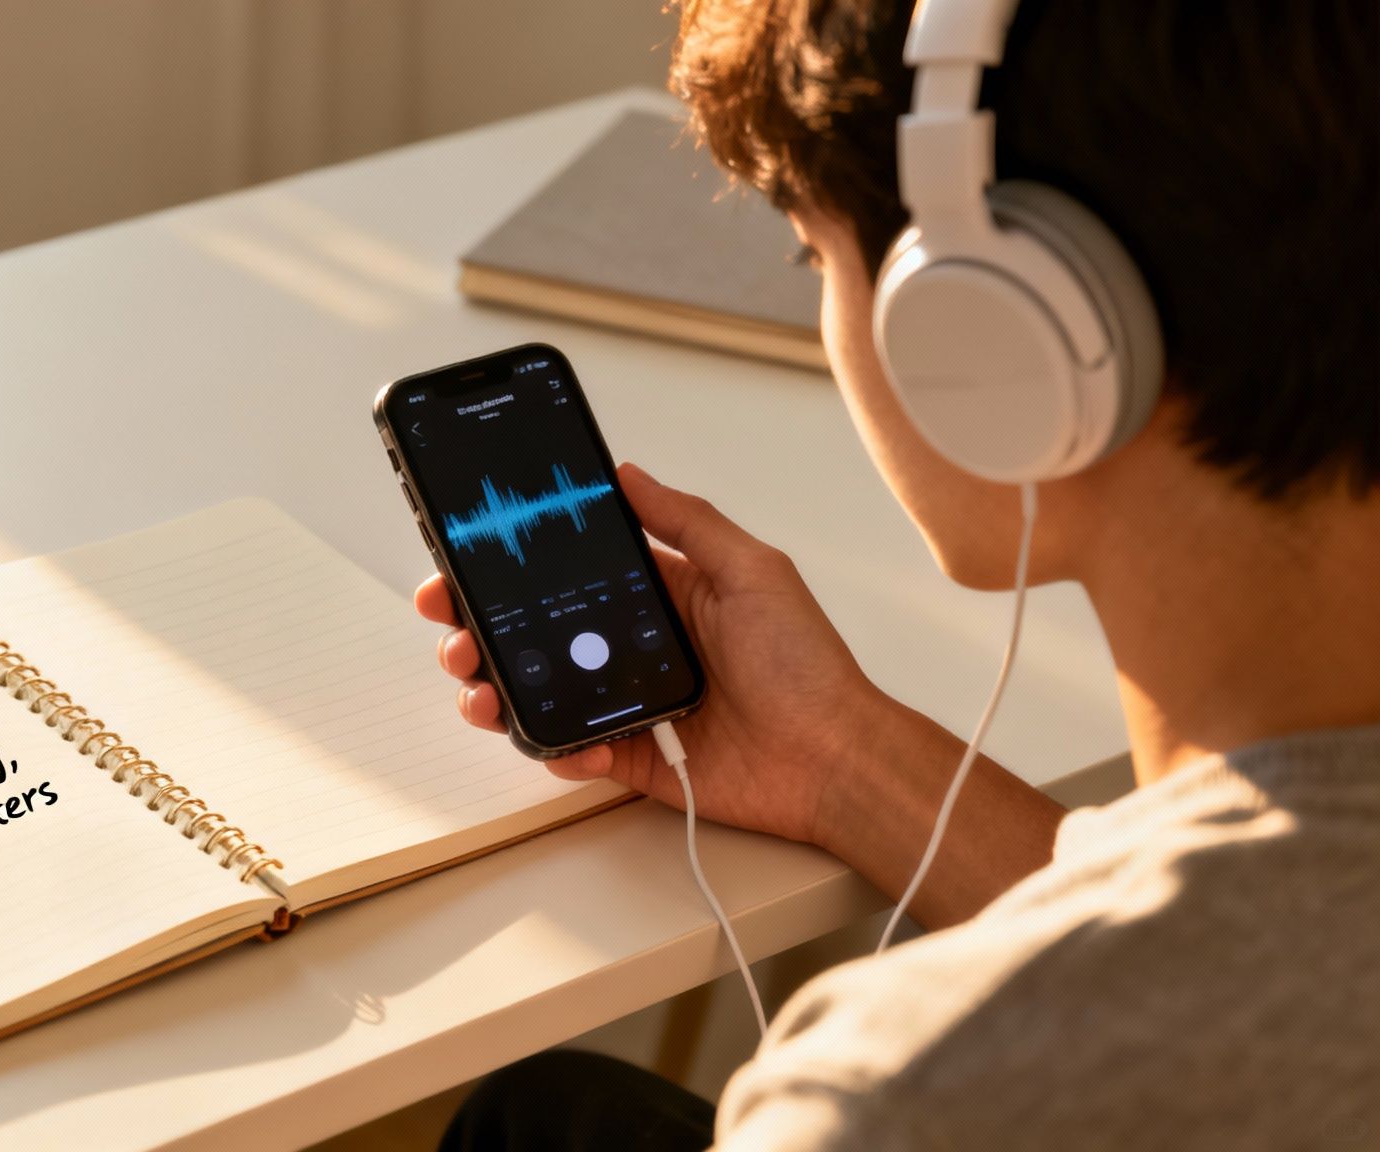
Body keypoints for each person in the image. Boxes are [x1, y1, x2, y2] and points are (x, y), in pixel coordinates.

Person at [428, 1, 1379, 1148]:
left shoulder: (900, 1097)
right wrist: (836, 755)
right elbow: (1265, 945)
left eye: (810, 251)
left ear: (988, 331)